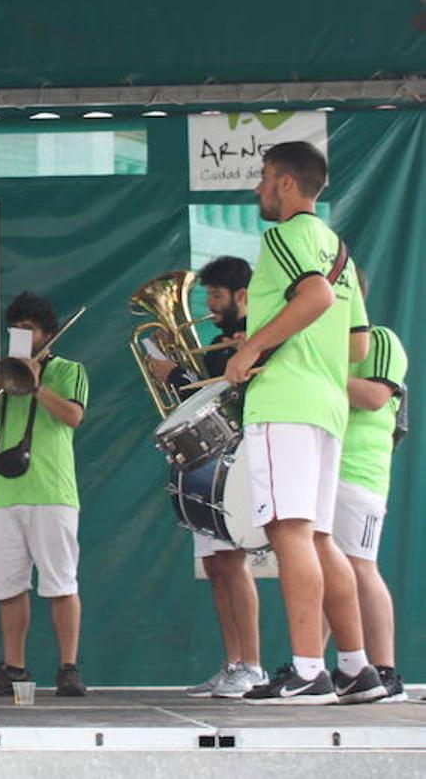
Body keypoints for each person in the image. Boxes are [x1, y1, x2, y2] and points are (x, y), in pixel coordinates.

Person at [224, 140, 385, 704]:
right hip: (325, 405)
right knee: (317, 537)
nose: (258, 188)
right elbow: (358, 345)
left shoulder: (286, 235)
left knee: (288, 531)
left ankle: (308, 669)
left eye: (263, 177)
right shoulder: (337, 246)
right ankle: (355, 668)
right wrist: (281, 337)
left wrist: (252, 351)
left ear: (286, 183)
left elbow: (312, 296)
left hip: (286, 402)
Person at [148, 257, 266, 698]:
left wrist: (175, 374)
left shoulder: (258, 338)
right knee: (217, 566)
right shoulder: (219, 342)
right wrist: (175, 374)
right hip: (208, 463)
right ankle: (233, 662)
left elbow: (228, 395)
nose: (210, 305)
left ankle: (253, 666)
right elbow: (199, 403)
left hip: (237, 462)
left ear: (241, 296)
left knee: (232, 563)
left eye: (216, 296)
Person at [0, 292, 89, 698]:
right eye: (15, 328)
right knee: (8, 587)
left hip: (52, 491)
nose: (21, 333)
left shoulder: (70, 370)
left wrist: (35, 385)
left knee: (60, 582)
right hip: (5, 495)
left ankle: (68, 667)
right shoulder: (0, 373)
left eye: (29, 328)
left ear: (47, 334)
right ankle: (14, 668)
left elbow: (73, 416)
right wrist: (1, 385)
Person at [332, 273, 408, 702]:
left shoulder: (380, 340)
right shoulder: (322, 346)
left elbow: (376, 397)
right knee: (328, 569)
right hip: (322, 465)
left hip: (360, 471)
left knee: (360, 566)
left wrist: (315, 373)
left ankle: (385, 671)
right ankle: (343, 668)